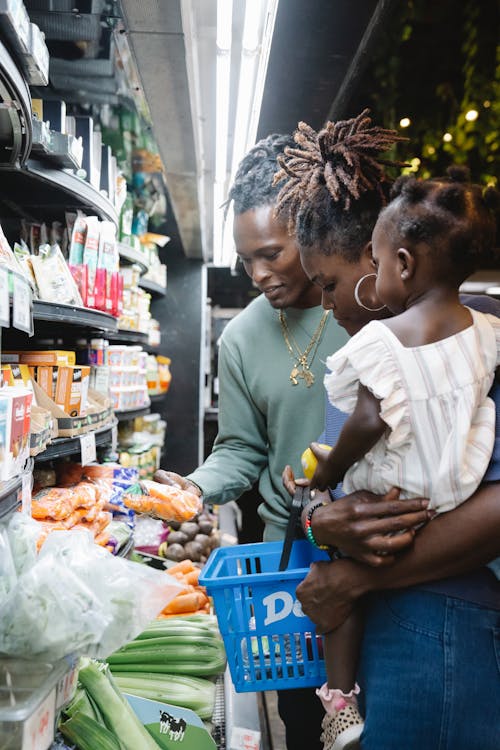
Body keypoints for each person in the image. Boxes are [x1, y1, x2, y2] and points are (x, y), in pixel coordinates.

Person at [154, 133, 429, 750]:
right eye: (245, 259)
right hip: (293, 564)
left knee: (384, 712)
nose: (257, 274)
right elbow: (243, 449)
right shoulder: (243, 338)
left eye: (272, 253)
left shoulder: (374, 302)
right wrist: (193, 487)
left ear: (307, 227)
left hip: (396, 545)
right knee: (307, 720)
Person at [275, 110, 500, 750]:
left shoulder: (470, 339)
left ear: (386, 265)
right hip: (388, 621)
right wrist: (321, 517)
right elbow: (341, 485)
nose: (327, 304)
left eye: (333, 283)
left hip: (441, 621)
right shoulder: (380, 354)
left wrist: (354, 577)